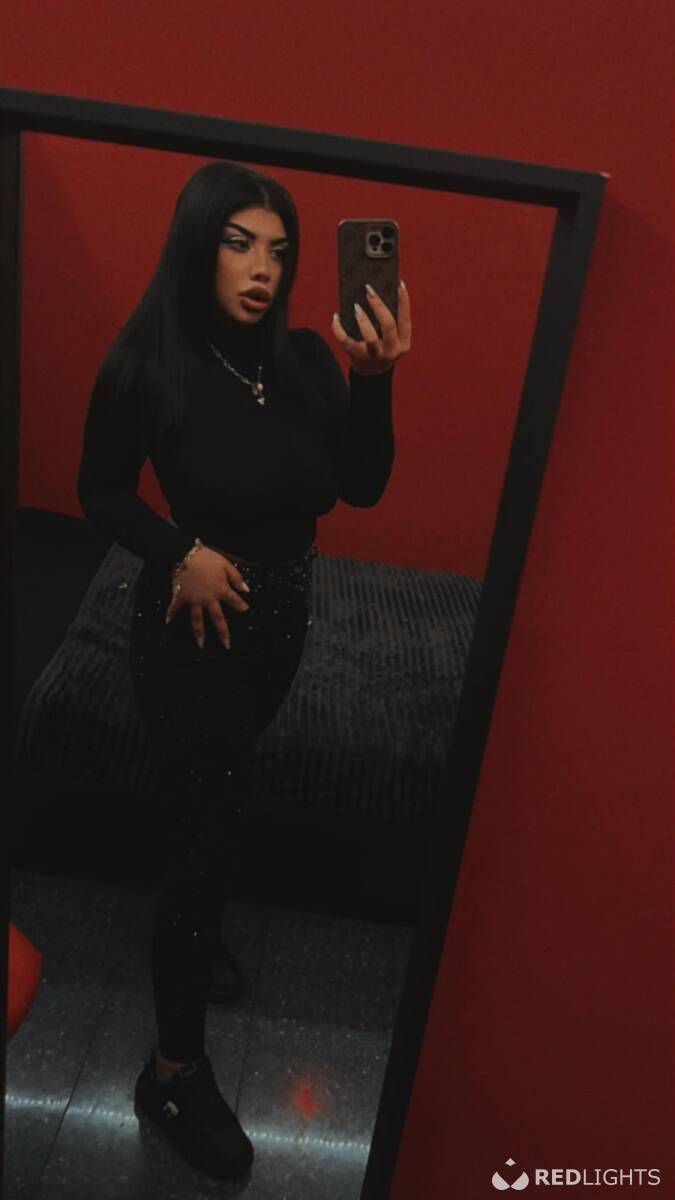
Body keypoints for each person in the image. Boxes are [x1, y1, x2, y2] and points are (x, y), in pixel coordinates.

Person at [76, 159, 411, 1183]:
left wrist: (374, 376)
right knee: (204, 845)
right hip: (193, 637)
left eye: (278, 249)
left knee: (215, 808)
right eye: (238, 244)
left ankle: (200, 915)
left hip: (280, 632)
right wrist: (178, 548)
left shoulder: (305, 358)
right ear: (198, 245)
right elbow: (99, 489)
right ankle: (173, 1073)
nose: (262, 267)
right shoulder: (148, 362)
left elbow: (360, 486)